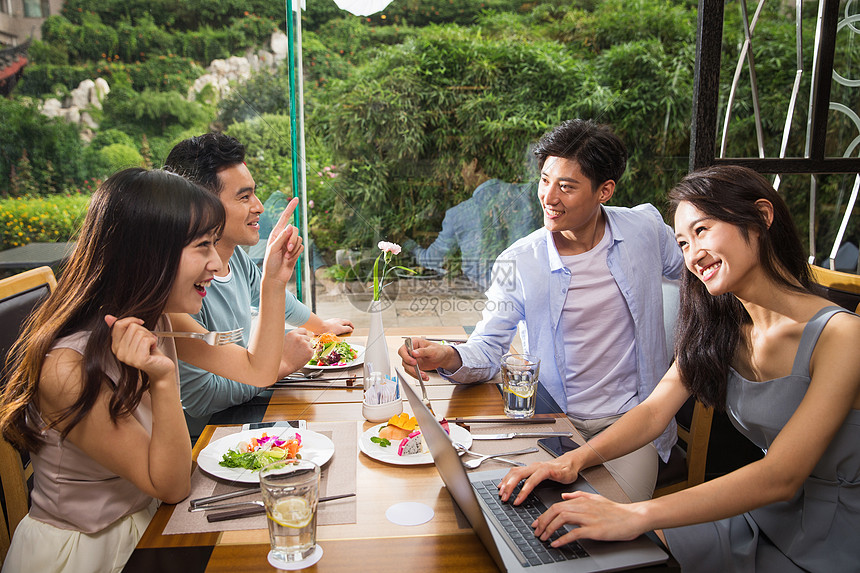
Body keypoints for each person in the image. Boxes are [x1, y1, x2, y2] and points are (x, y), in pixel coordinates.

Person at [497, 165, 860, 572]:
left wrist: (636, 514)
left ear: (761, 216)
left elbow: (782, 475)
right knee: (581, 550)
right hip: (765, 513)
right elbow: (655, 412)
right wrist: (572, 461)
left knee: (625, 546)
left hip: (835, 536)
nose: (692, 256)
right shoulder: (724, 328)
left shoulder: (843, 336)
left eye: (702, 231)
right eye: (683, 243)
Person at [0, 167, 301, 573]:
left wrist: (273, 283)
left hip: (152, 523)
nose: (216, 263)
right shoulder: (65, 368)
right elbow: (172, 485)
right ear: (147, 254)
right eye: (202, 246)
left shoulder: (159, 318)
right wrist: (163, 380)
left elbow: (257, 369)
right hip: (89, 551)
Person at [399, 119, 684, 502]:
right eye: (545, 180)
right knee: (517, 515)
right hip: (551, 424)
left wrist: (707, 336)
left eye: (566, 186)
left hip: (632, 427)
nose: (549, 197)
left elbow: (699, 273)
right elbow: (488, 349)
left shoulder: (644, 230)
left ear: (605, 190)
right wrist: (448, 355)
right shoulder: (519, 260)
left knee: (612, 531)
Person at [163, 133, 354, 425]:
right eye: (244, 196)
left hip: (243, 409)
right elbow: (203, 398)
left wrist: (322, 326)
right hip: (213, 433)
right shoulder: (178, 294)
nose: (259, 206)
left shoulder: (236, 258)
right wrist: (282, 363)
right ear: (201, 206)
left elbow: (274, 296)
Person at [403, 179, 542, 290]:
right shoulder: (530, 195)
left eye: (462, 167)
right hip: (533, 289)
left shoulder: (458, 214)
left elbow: (432, 258)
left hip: (485, 297)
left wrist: (405, 243)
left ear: (474, 163)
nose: (460, 175)